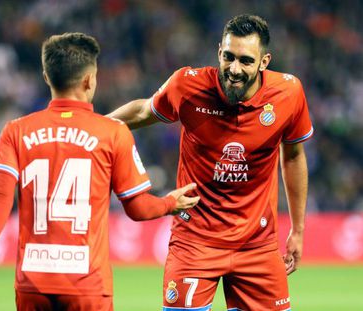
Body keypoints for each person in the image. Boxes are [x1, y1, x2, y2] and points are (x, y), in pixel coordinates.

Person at [0, 33, 200, 311]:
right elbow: (138, 208)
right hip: (87, 285)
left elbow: (0, 196)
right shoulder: (113, 133)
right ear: (89, 80)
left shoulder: (16, 130)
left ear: (47, 77)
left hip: (32, 284)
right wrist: (171, 203)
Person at [107, 14, 314, 311]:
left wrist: (298, 229)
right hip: (194, 241)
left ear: (264, 62)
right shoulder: (187, 86)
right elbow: (142, 112)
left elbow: (293, 156)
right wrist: (89, 126)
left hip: (257, 244)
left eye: (245, 61)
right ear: (219, 51)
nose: (234, 69)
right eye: (228, 57)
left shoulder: (288, 93)